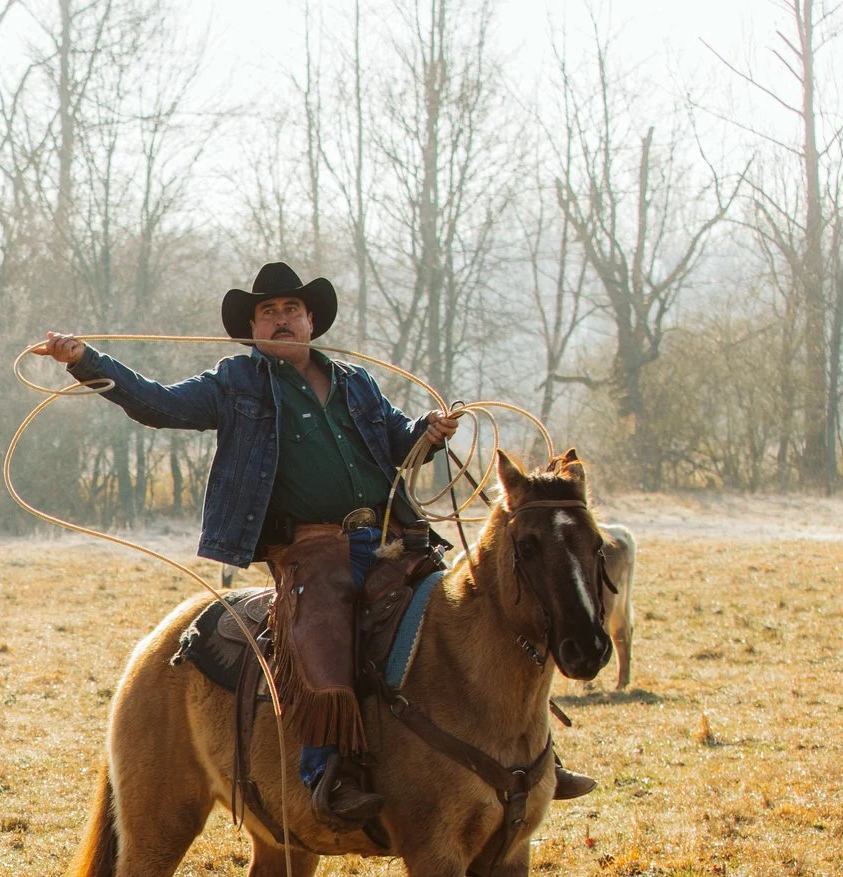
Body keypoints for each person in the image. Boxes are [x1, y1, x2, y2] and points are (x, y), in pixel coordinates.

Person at [34, 261, 592, 828]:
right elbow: (156, 405)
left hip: (394, 539)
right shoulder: (236, 383)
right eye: (268, 312)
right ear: (252, 327)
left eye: (291, 310)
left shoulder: (356, 383)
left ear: (309, 321)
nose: (281, 320)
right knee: (324, 635)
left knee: (480, 616)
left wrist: (425, 433)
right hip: (312, 550)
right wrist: (85, 361)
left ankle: (533, 755)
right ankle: (326, 772)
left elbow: (398, 445)